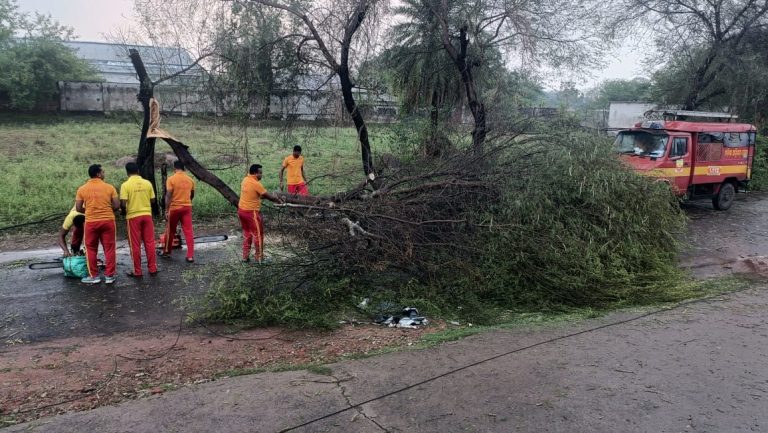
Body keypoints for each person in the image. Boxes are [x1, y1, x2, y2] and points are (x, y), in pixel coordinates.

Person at [75, 164, 120, 284]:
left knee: (90, 249)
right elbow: (116, 205)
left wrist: (90, 211)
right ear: (99, 174)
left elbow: (78, 208)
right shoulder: (110, 188)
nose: (104, 174)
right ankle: (110, 276)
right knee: (109, 248)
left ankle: (94, 276)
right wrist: (106, 209)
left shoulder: (82, 189)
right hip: (108, 221)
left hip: (91, 222)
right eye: (103, 172)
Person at [120, 162, 158, 278]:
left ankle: (137, 271)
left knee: (135, 245)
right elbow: (152, 201)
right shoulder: (147, 183)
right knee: (150, 242)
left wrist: (123, 210)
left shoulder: (125, 185)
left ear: (127, 172)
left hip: (133, 217)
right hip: (147, 215)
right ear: (138, 170)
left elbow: (123, 203)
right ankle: (152, 268)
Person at [239, 164, 283, 263]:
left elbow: (257, 194)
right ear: (255, 173)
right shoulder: (256, 183)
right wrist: (279, 201)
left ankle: (245, 257)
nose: (261, 175)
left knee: (247, 234)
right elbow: (269, 197)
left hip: (241, 211)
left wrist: (265, 195)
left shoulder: (245, 179)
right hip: (251, 213)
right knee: (258, 235)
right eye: (260, 173)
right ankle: (260, 258)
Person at [163, 161, 196, 262]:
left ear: (175, 168)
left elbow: (168, 195)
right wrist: (186, 201)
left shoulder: (171, 179)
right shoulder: (190, 180)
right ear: (184, 168)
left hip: (175, 208)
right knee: (189, 231)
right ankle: (190, 256)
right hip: (187, 207)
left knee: (170, 230)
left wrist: (166, 209)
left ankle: (167, 252)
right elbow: (192, 195)